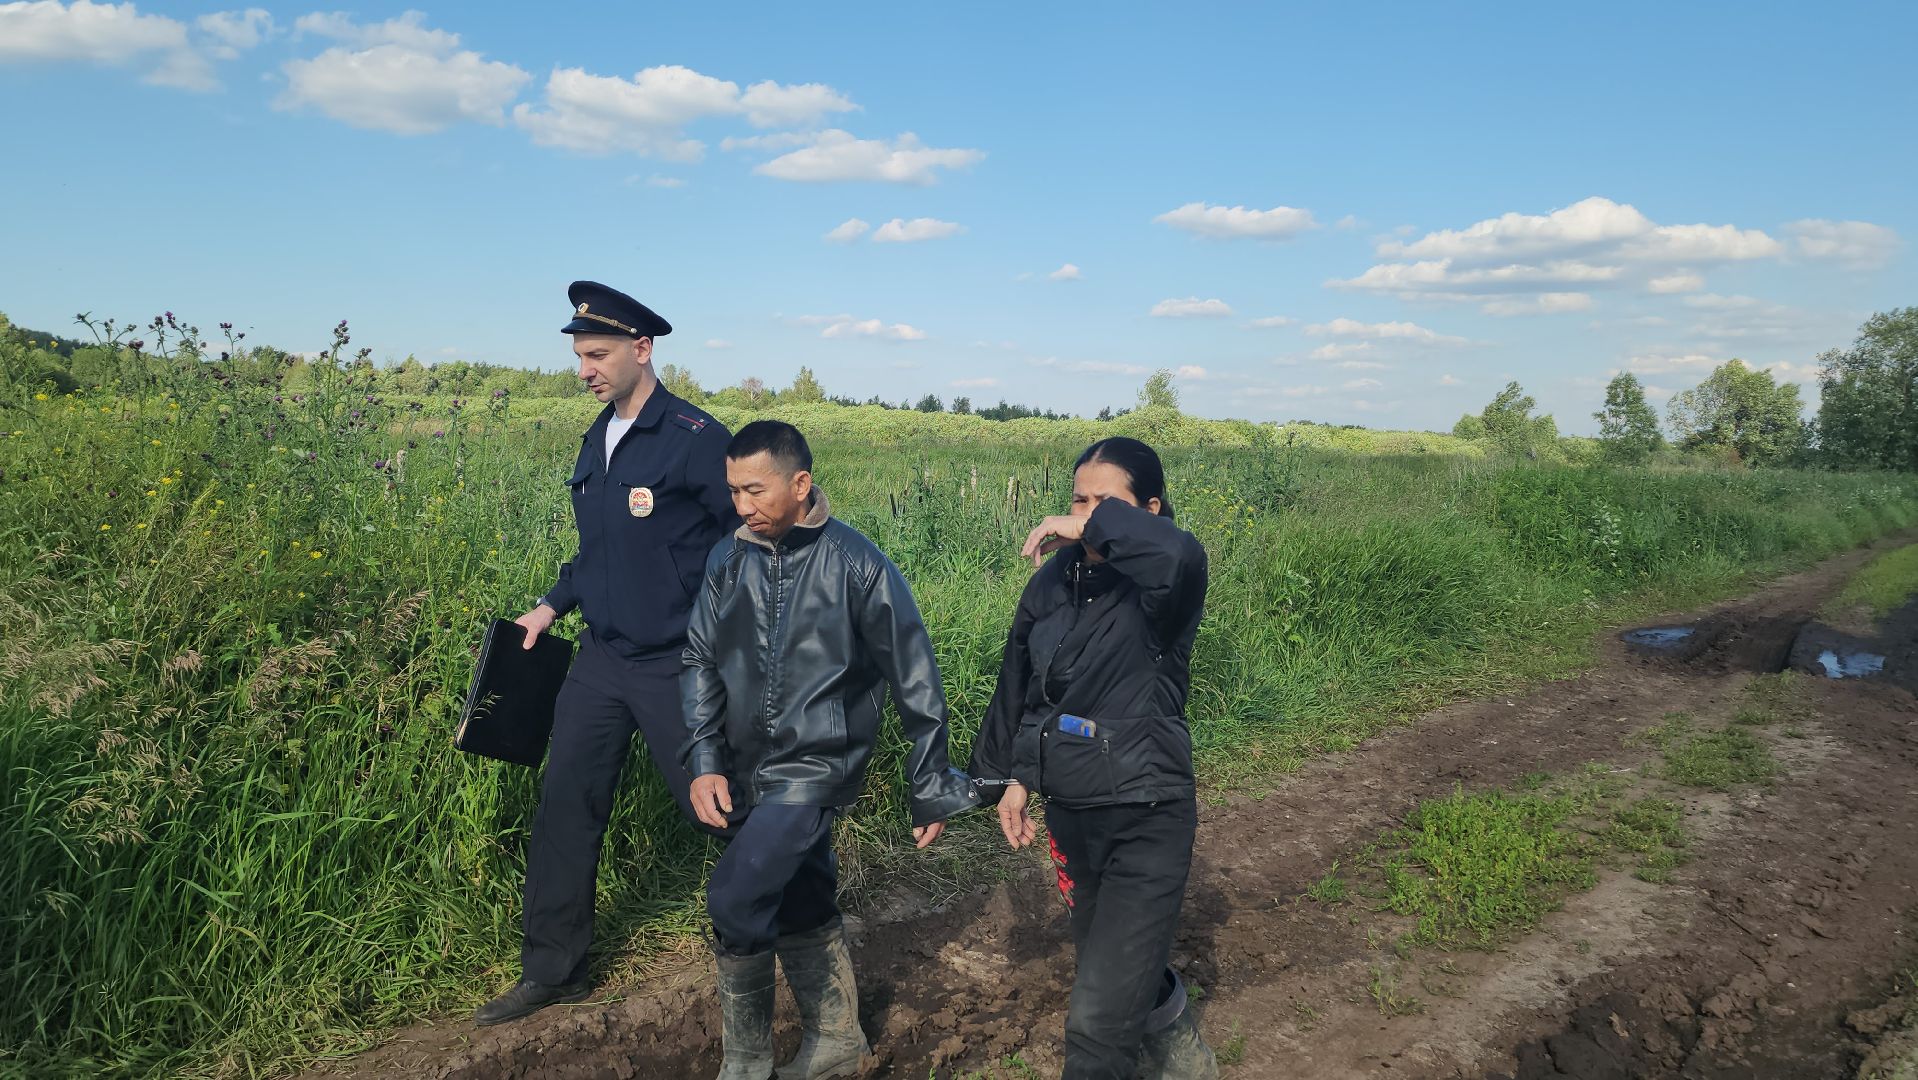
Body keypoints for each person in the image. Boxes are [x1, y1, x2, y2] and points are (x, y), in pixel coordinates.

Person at [681, 420, 980, 1080]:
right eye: (733, 491)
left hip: (816, 766)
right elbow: (699, 657)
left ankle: (747, 1062)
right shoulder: (727, 558)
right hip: (743, 763)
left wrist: (928, 779)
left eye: (755, 490)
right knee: (802, 891)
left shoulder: (858, 565)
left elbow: (915, 674)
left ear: (800, 483)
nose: (742, 505)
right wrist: (704, 761)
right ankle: (839, 1038)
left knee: (734, 900)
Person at [475, 281, 740, 1026]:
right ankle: (555, 970)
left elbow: (747, 542)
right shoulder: (600, 437)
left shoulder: (696, 438)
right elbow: (598, 551)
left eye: (596, 354)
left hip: (675, 664)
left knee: (720, 805)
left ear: (642, 348)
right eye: (578, 356)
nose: (583, 369)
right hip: (600, 659)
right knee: (566, 806)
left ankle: (792, 918)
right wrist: (551, 605)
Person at [970, 437, 1218, 1080]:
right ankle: (1182, 1055)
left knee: (1095, 1028)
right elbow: (1027, 693)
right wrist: (1017, 779)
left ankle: (1164, 1058)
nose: (1084, 514)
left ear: (1151, 510)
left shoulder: (1161, 589)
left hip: (1147, 816)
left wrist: (1091, 525)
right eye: (1078, 499)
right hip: (1073, 815)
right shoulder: (1052, 585)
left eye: (1106, 502)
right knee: (1110, 967)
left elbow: (1181, 552)